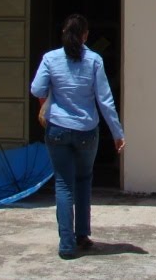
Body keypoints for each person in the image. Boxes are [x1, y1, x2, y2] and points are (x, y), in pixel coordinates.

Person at [30, 13, 125, 260]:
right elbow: (105, 100)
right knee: (84, 181)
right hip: (86, 131)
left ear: (64, 33)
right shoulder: (94, 60)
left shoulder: (50, 59)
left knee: (63, 185)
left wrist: (54, 90)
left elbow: (36, 89)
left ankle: (66, 244)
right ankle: (82, 235)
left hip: (57, 129)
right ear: (85, 35)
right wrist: (117, 133)